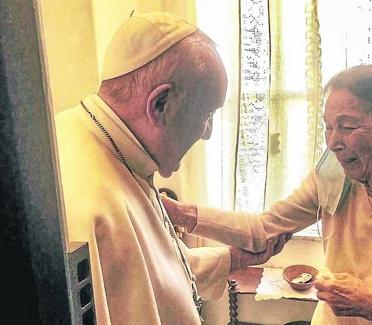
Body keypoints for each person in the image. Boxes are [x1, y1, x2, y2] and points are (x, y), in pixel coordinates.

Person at [162, 64, 372, 324]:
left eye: (347, 126)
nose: (334, 142)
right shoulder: (334, 173)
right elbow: (263, 229)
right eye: (328, 128)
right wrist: (180, 214)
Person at [55, 12, 290, 325]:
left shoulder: (122, 151)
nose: (207, 132)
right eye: (206, 114)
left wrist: (234, 259)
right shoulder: (87, 205)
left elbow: (156, 276)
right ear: (160, 104)